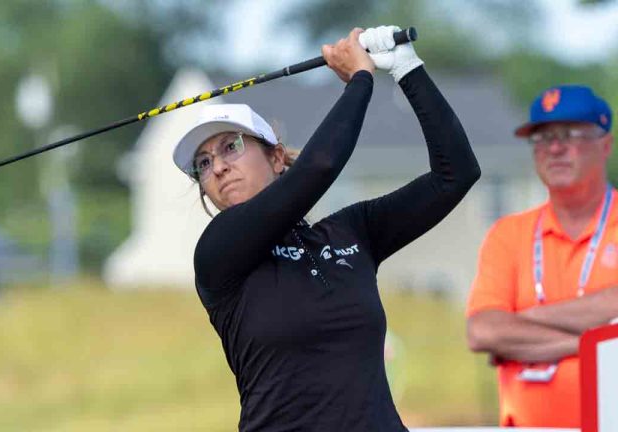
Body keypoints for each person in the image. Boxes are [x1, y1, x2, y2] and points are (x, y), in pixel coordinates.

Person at [172, 26, 480, 431]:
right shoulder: (218, 251)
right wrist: (360, 79)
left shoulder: (352, 232)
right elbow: (318, 167)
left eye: (231, 146)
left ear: (277, 158)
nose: (218, 167)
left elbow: (456, 174)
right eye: (203, 164)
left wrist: (407, 69)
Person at [466, 84, 616, 428]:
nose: (555, 148)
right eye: (542, 138)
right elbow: (483, 331)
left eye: (570, 134)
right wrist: (594, 346)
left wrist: (520, 323)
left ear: (605, 144)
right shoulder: (508, 233)